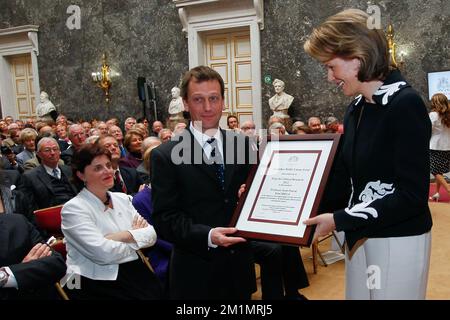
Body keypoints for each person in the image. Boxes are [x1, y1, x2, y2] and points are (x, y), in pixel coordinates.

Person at [303, 9, 432, 300]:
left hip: (398, 239)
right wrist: (295, 206)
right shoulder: (357, 108)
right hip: (359, 235)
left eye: (331, 66)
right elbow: (345, 178)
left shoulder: (405, 104)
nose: (328, 77)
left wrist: (339, 220)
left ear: (357, 57)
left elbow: (411, 195)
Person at [151, 65, 256, 299]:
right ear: (186, 104)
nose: (208, 108)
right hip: (194, 275)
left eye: (214, 98)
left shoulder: (244, 145)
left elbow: (251, 196)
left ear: (223, 101)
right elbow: (165, 219)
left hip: (238, 270)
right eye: (198, 100)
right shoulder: (166, 156)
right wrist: (208, 235)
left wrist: (249, 196)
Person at [61, 143, 162, 299]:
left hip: (132, 268)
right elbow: (103, 255)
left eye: (108, 165)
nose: (107, 171)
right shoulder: (73, 209)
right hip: (95, 279)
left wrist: (118, 237)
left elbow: (152, 235)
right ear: (81, 175)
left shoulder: (123, 199)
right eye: (98, 168)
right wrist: (135, 236)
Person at [428, 93, 450, 201]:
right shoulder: (449, 115)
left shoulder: (433, 115)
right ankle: (437, 193)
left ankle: (448, 188)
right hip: (447, 146)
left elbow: (428, 130)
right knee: (439, 171)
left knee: (434, 171)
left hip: (435, 146)